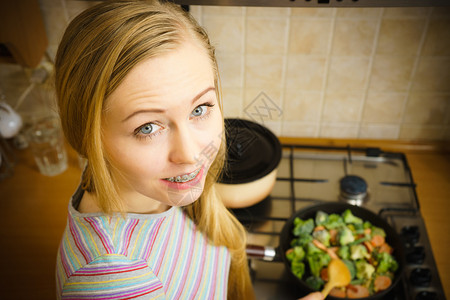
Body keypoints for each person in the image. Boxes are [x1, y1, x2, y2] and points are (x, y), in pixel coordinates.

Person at [54, 1, 324, 299]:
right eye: (148, 128)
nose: (191, 155)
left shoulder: (150, 190)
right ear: (87, 135)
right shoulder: (112, 279)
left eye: (199, 108)